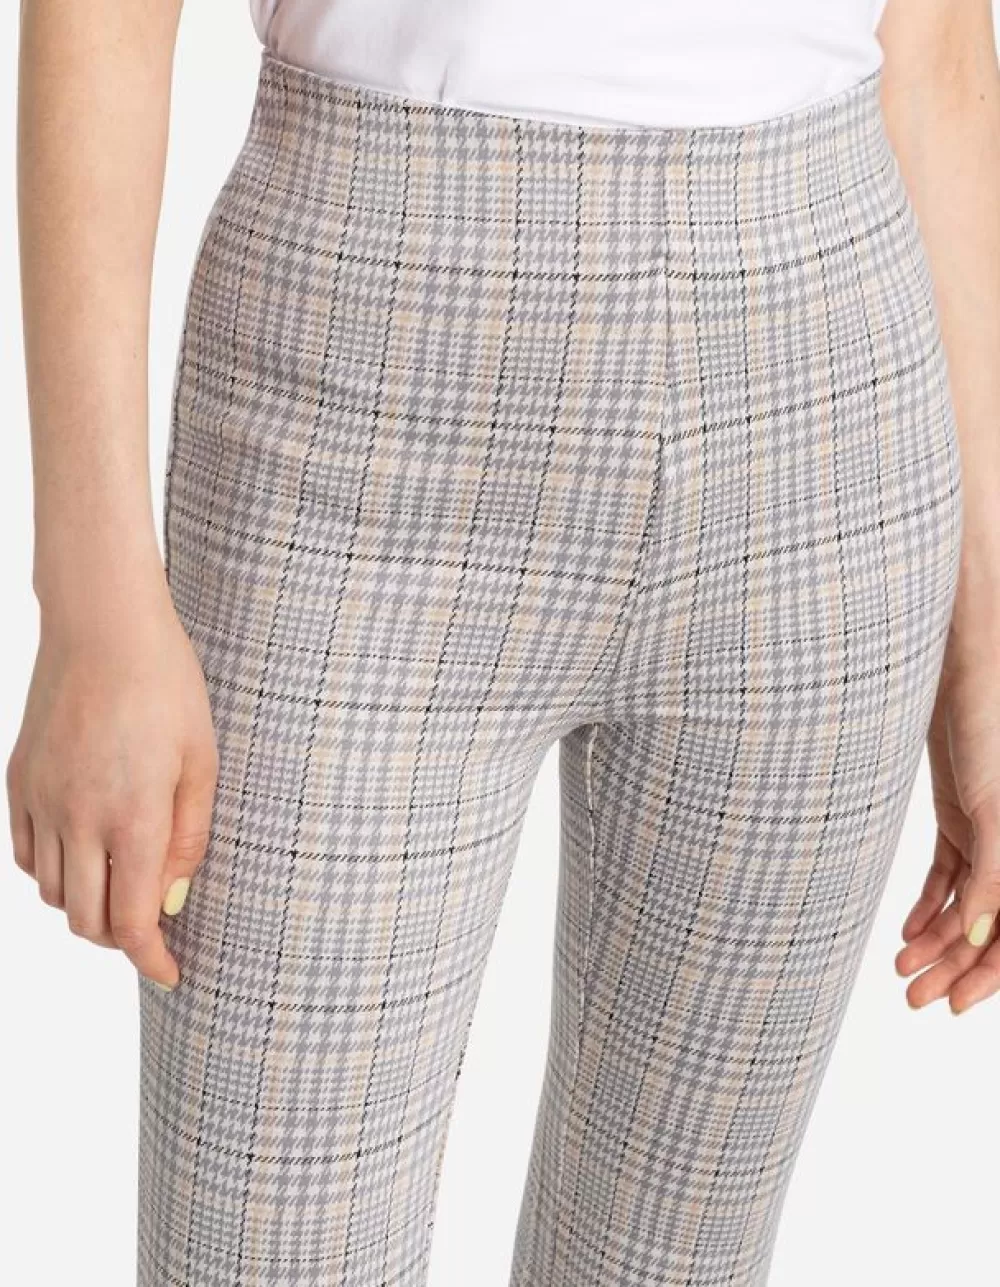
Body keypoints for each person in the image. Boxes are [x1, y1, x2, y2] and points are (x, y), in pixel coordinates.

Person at [8, 0, 1000, 1283]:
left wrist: (987, 640)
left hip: (833, 391)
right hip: (359, 393)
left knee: (677, 1264)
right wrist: (90, 598)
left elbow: (934, 37)